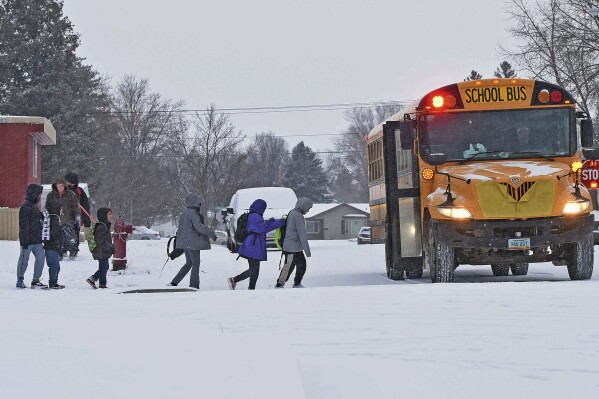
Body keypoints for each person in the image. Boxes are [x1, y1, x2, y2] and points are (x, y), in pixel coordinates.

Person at [227, 199, 285, 290]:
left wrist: (270, 222)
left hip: (253, 245)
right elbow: (263, 229)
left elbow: (259, 226)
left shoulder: (254, 215)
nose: (264, 210)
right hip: (253, 246)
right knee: (254, 270)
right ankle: (234, 280)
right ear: (260, 207)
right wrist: (280, 222)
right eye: (264, 208)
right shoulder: (255, 216)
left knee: (255, 269)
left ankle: (251, 288)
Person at [168, 193, 217, 289]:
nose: (200, 205)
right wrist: (211, 233)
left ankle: (174, 282)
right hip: (193, 243)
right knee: (195, 264)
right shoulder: (193, 214)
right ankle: (194, 285)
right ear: (195, 203)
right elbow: (199, 227)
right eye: (199, 203)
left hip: (185, 243)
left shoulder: (184, 213)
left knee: (189, 263)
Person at [275, 197, 313, 288]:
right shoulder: (298, 216)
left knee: (295, 265)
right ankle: (281, 284)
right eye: (307, 208)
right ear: (303, 206)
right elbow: (302, 234)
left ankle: (294, 283)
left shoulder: (292, 212)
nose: (308, 211)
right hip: (292, 247)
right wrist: (307, 251)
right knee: (289, 266)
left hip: (293, 247)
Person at [16, 184, 47, 289]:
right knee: (24, 260)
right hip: (27, 241)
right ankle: (20, 280)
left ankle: (35, 281)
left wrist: (42, 215)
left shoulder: (34, 206)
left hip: (37, 240)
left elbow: (36, 221)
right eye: (39, 194)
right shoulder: (25, 207)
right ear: (34, 194)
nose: (39, 196)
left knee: (41, 258)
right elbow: (24, 225)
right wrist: (24, 241)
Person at [46, 177, 81, 260]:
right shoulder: (51, 195)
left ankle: (73, 251)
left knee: (70, 237)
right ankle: (60, 252)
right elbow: (47, 206)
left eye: (62, 185)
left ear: (65, 186)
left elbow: (76, 207)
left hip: (68, 219)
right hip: (55, 220)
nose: (60, 187)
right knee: (58, 238)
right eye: (59, 185)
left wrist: (77, 216)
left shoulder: (71, 195)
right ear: (56, 185)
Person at [86, 208, 115, 289]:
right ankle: (102, 284)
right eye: (108, 214)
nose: (111, 216)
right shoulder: (101, 226)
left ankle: (93, 279)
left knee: (104, 267)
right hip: (101, 251)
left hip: (103, 251)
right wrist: (110, 248)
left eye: (111, 214)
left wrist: (111, 247)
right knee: (104, 267)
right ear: (103, 215)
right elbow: (101, 241)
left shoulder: (104, 225)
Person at [65, 172, 92, 253]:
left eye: (66, 180)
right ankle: (63, 250)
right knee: (63, 233)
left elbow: (85, 206)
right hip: (64, 217)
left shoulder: (79, 191)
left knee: (75, 234)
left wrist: (87, 221)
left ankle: (74, 250)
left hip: (76, 218)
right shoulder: (62, 189)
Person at [42, 199, 65, 289]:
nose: (61, 210)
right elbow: (55, 233)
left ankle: (54, 282)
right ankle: (52, 283)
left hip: (53, 247)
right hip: (51, 247)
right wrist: (58, 242)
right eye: (60, 208)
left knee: (56, 266)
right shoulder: (53, 219)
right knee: (54, 266)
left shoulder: (53, 218)